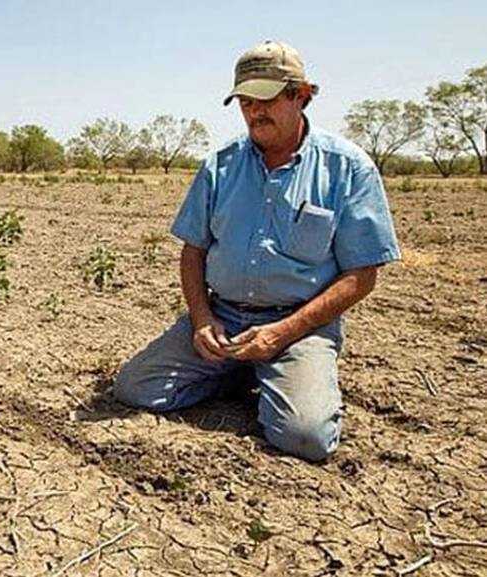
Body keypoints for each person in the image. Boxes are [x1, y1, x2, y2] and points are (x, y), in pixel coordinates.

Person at [114, 40, 400, 462]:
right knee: (135, 388)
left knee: (305, 438)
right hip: (224, 317)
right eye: (245, 101)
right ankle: (237, 369)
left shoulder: (348, 168)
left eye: (265, 99)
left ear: (301, 96)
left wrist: (280, 335)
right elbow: (192, 252)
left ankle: (278, 374)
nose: (254, 111)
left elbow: (362, 276)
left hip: (298, 327)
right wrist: (201, 319)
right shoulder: (220, 166)